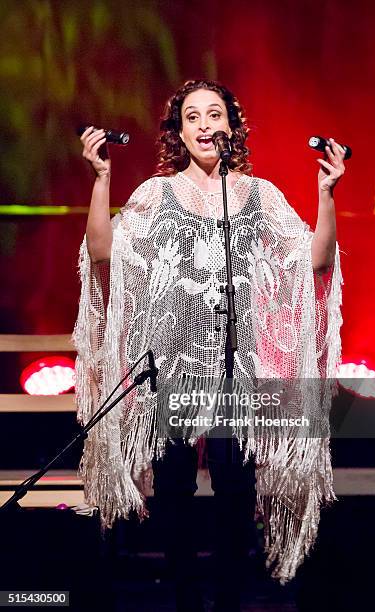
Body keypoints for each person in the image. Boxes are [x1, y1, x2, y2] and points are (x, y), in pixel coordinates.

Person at [73, 79, 346, 611]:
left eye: (213, 114)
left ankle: (226, 599)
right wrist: (102, 179)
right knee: (174, 494)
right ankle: (182, 599)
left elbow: (312, 259)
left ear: (230, 126)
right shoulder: (155, 195)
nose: (203, 125)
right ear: (178, 130)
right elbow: (105, 252)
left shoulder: (260, 195)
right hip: (174, 367)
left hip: (238, 372)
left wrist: (326, 194)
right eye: (191, 116)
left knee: (235, 495)